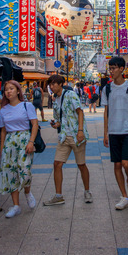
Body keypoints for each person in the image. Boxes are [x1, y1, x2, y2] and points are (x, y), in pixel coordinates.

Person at [43, 74, 93, 206]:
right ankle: (58, 195)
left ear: (60, 84)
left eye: (54, 84)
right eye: (50, 85)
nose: (51, 87)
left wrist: (80, 131)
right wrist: (56, 125)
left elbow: (80, 112)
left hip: (76, 136)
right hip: (64, 136)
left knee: (81, 165)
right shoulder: (55, 100)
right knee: (57, 164)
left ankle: (87, 191)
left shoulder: (70, 95)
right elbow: (60, 121)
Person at [101, 57, 128, 211]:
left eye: (113, 68)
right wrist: (105, 133)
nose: (111, 71)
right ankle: (124, 196)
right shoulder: (107, 88)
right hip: (113, 131)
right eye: (110, 68)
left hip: (127, 130)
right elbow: (106, 112)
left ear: (121, 69)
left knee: (126, 163)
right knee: (117, 164)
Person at [0, 80, 38, 218]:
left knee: (25, 170)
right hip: (10, 141)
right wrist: (2, 148)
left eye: (11, 88)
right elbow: (3, 131)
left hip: (24, 139)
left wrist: (31, 141)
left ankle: (27, 192)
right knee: (11, 173)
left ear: (17, 91)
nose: (8, 91)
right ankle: (16, 205)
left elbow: (34, 124)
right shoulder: (3, 110)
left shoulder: (27, 106)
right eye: (6, 89)